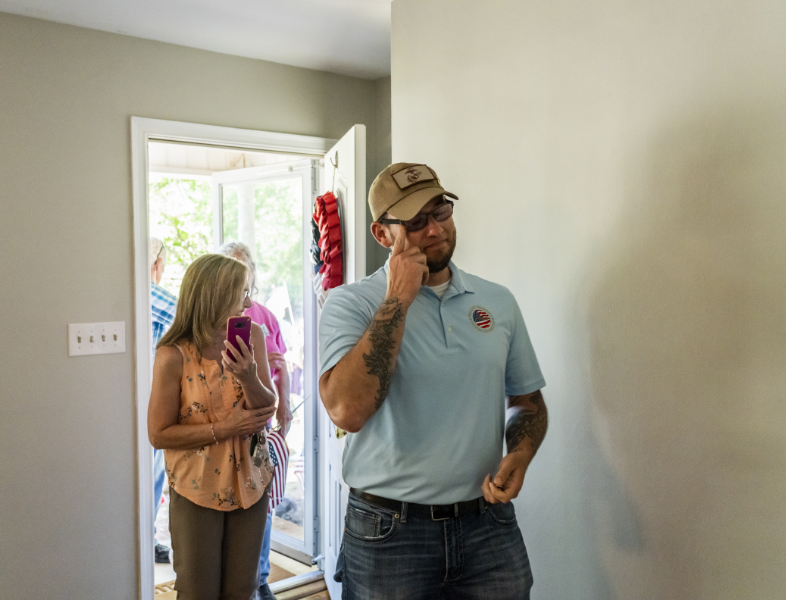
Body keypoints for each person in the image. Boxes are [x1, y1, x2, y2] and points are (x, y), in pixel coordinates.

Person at [318, 163, 549, 599]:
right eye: (416, 222)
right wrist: (398, 299)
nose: (435, 230)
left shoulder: (497, 301)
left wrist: (521, 453)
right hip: (389, 533)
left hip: (488, 526)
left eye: (440, 211)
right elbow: (348, 410)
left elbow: (526, 400)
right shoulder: (351, 304)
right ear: (382, 234)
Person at [148, 253, 278, 600]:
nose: (249, 302)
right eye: (242, 293)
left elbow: (267, 410)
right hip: (197, 487)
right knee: (197, 590)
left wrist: (248, 376)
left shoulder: (253, 336)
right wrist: (225, 428)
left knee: (242, 589)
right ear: (216, 296)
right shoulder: (173, 354)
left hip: (251, 482)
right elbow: (158, 434)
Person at [218, 241, 292, 600]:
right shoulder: (198, 334)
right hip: (217, 451)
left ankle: (259, 579)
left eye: (243, 275)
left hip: (256, 433)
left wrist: (284, 408)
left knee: (257, 506)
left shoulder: (261, 319)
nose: (242, 295)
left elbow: (279, 366)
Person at [150, 237, 177, 564]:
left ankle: (146, 538)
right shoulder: (155, 296)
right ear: (158, 264)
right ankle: (145, 540)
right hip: (154, 402)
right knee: (152, 477)